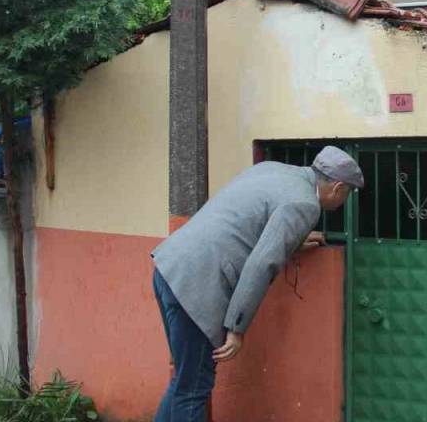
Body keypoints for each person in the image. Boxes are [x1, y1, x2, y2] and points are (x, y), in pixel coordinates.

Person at [150, 146, 364, 422]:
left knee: (185, 378)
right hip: (197, 288)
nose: (343, 201)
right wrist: (236, 327)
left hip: (170, 266)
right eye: (346, 194)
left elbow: (251, 221)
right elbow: (262, 264)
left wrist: (293, 240)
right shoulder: (304, 204)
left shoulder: (272, 169)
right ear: (337, 188)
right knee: (194, 388)